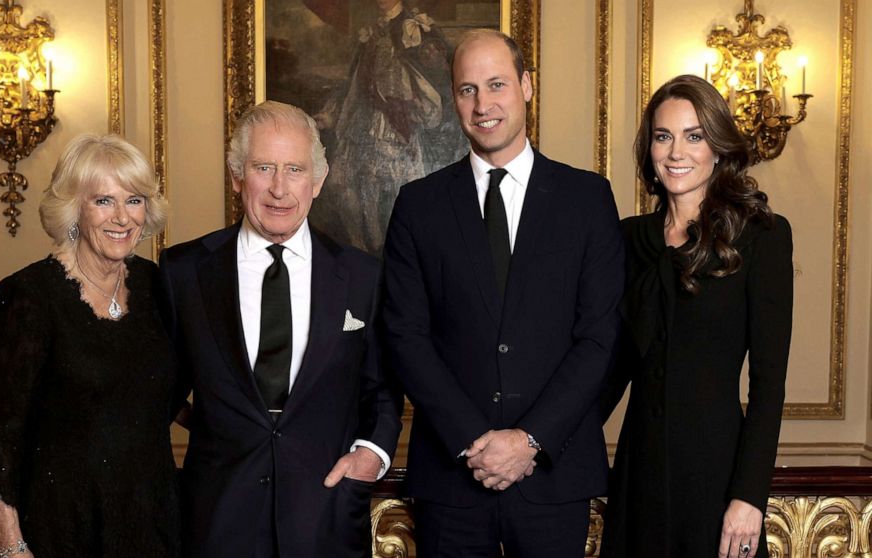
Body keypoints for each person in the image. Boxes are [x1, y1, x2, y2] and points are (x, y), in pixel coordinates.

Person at [380, 29, 625, 556]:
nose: (483, 104)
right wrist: (477, 444)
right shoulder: (418, 206)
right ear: (453, 99)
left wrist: (529, 440)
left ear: (527, 86)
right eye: (467, 89)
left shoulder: (587, 199)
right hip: (452, 479)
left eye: (496, 85)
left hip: (554, 478)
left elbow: (600, 337)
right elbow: (405, 336)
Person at [158, 100, 402, 557]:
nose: (278, 188)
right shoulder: (184, 271)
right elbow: (157, 393)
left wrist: (371, 454)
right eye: (263, 167)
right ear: (236, 177)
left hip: (325, 514)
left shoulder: (362, 276)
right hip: (216, 518)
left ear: (318, 181)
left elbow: (383, 389)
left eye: (294, 169)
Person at [600, 74, 793, 558]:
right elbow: (610, 368)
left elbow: (769, 386)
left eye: (694, 136)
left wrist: (749, 496)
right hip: (638, 474)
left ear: (718, 146)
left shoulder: (762, 235)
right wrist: (542, 443)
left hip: (717, 478)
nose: (675, 152)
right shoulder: (627, 240)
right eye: (663, 137)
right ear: (649, 148)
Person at [0, 134, 179, 557]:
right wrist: (10, 543)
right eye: (104, 201)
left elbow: (164, 392)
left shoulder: (158, 286)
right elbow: (2, 434)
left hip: (152, 519)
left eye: (135, 200)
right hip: (61, 523)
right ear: (74, 209)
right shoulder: (30, 295)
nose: (122, 217)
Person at [311, 0, 467, 254]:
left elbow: (439, 75)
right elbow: (354, 83)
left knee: (395, 190)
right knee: (342, 181)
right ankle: (364, 252)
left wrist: (412, 98)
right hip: (363, 121)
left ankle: (392, 252)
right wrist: (331, 114)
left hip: (397, 123)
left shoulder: (414, 28)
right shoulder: (371, 33)